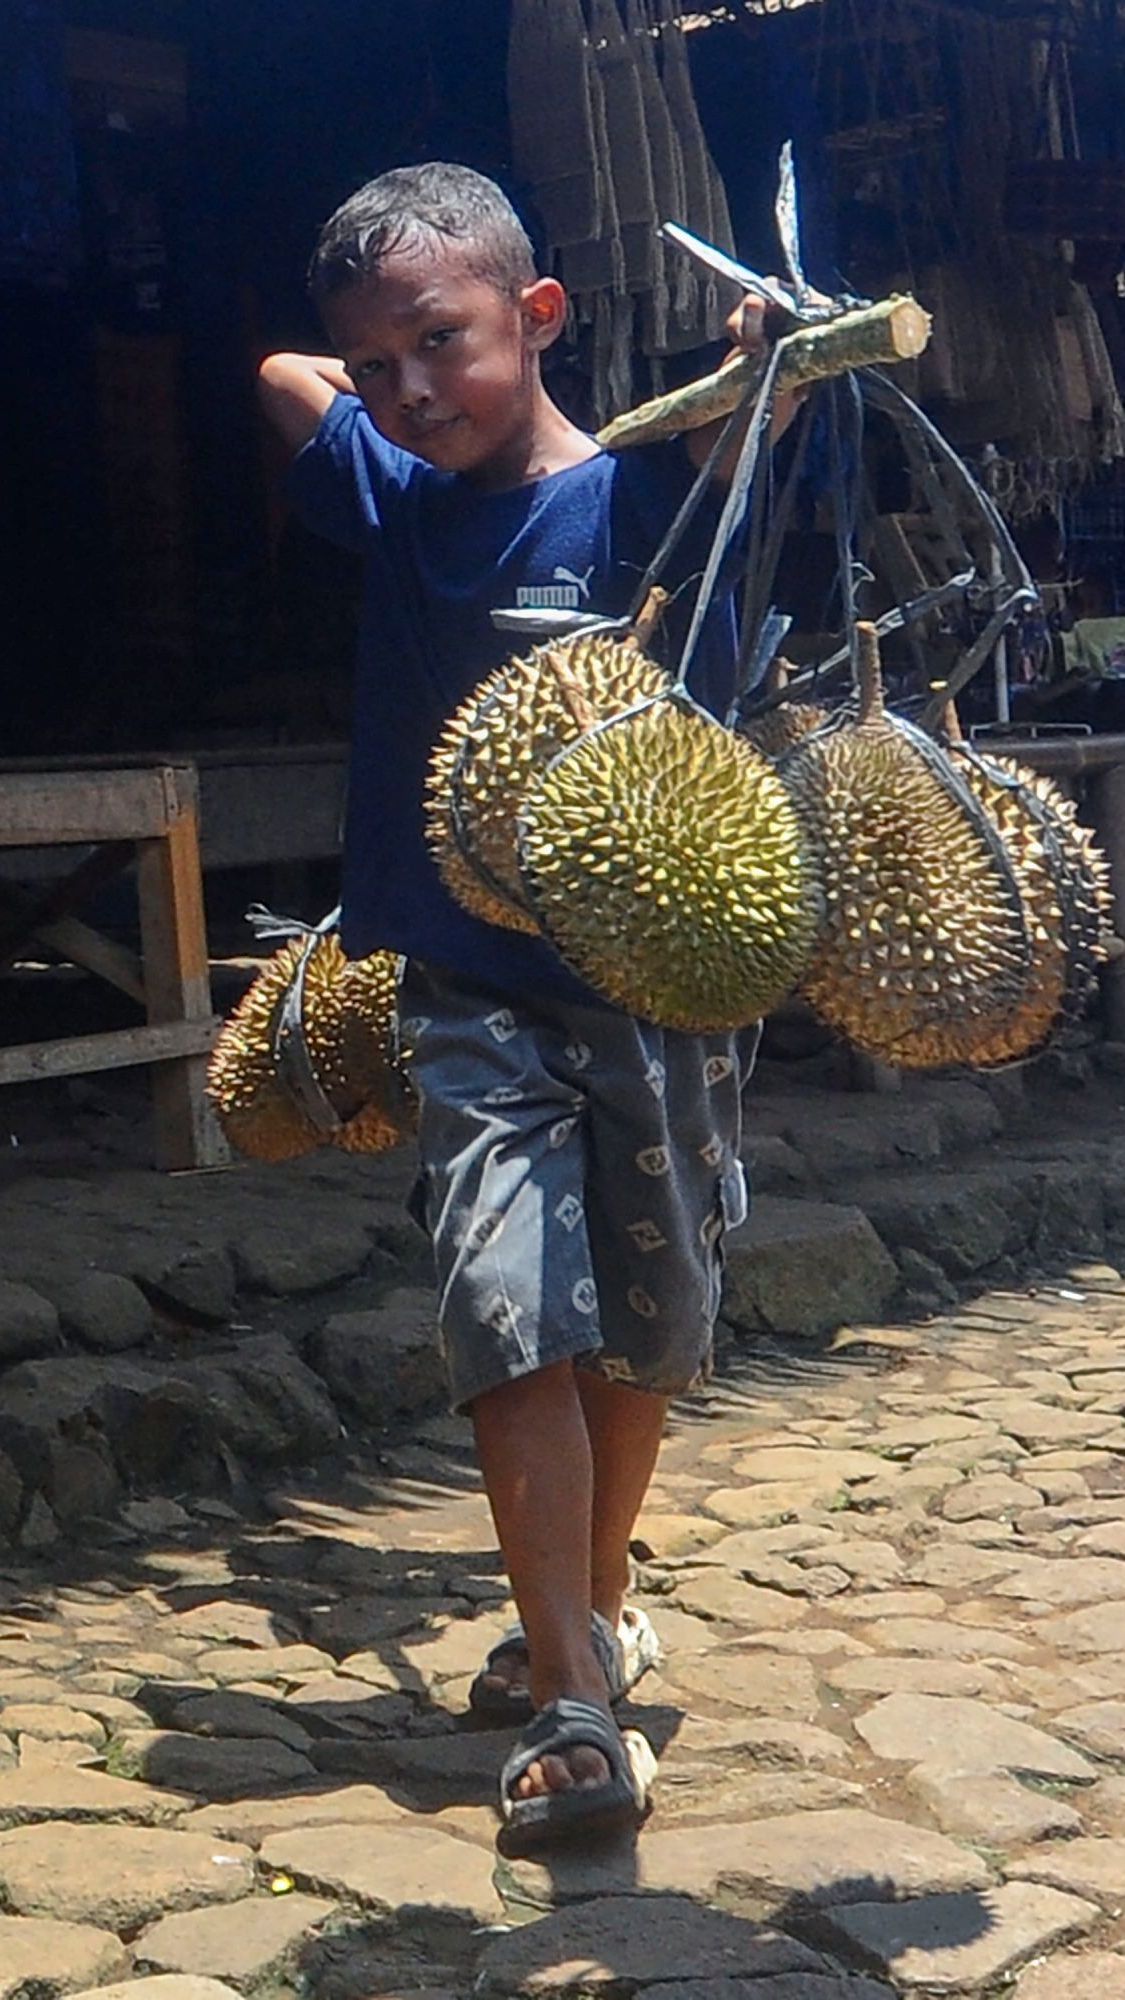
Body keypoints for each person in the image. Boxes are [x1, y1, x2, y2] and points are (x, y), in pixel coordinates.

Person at [258, 161, 795, 1854]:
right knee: (512, 1313)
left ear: (540, 318)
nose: (409, 389)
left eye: (446, 344)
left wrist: (750, 378)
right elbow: (279, 377)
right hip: (467, 991)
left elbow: (758, 454)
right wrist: (366, 369)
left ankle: (597, 1590)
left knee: (647, 1328)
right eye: (384, 362)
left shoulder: (645, 503)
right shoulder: (396, 493)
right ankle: (569, 1693)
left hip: (657, 991)